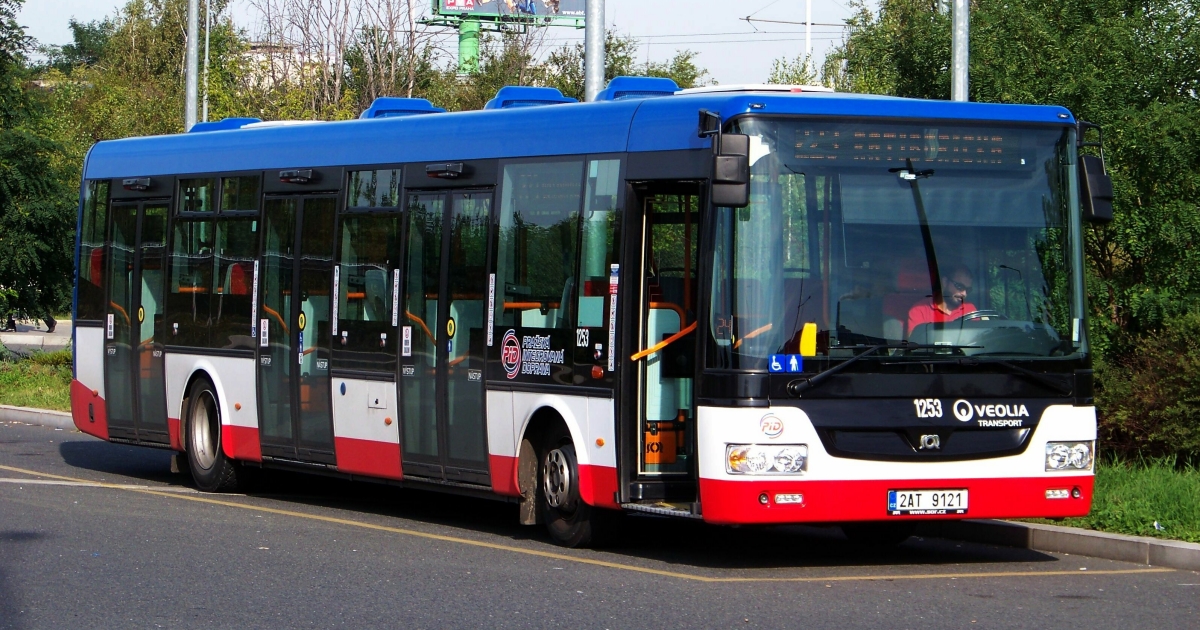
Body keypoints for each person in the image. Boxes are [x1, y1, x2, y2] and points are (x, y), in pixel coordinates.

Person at [907, 264, 977, 335]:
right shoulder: (920, 310)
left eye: (968, 290)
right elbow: (916, 343)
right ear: (944, 282)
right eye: (959, 286)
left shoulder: (969, 309)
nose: (964, 294)